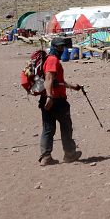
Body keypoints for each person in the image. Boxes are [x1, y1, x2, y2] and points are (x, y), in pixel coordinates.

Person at [39, 38, 83, 166]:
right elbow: (49, 79)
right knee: (66, 127)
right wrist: (50, 97)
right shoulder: (52, 60)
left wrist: (72, 86)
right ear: (53, 47)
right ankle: (70, 154)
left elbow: (57, 81)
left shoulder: (48, 59)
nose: (62, 50)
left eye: (62, 47)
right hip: (56, 100)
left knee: (48, 128)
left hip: (48, 99)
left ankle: (46, 157)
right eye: (59, 47)